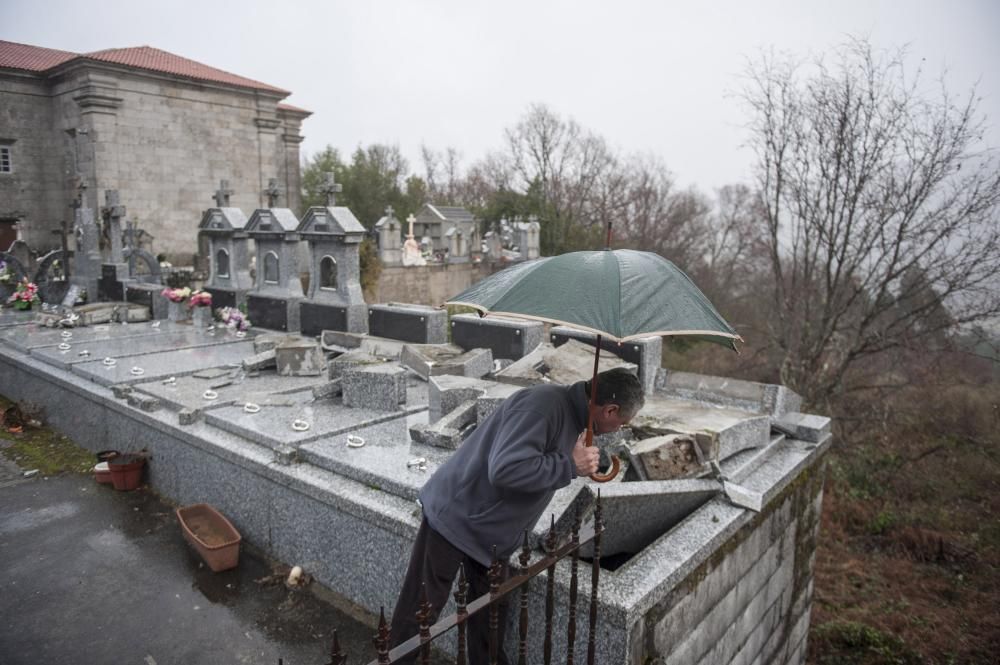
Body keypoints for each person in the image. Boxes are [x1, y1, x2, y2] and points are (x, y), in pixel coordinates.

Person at [389, 367, 645, 664]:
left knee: (490, 613)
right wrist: (567, 465)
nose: (619, 429)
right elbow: (506, 469)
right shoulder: (543, 407)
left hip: (494, 534)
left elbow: (542, 460)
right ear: (610, 409)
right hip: (458, 517)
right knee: (421, 611)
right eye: (622, 423)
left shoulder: (575, 417)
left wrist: (579, 456)